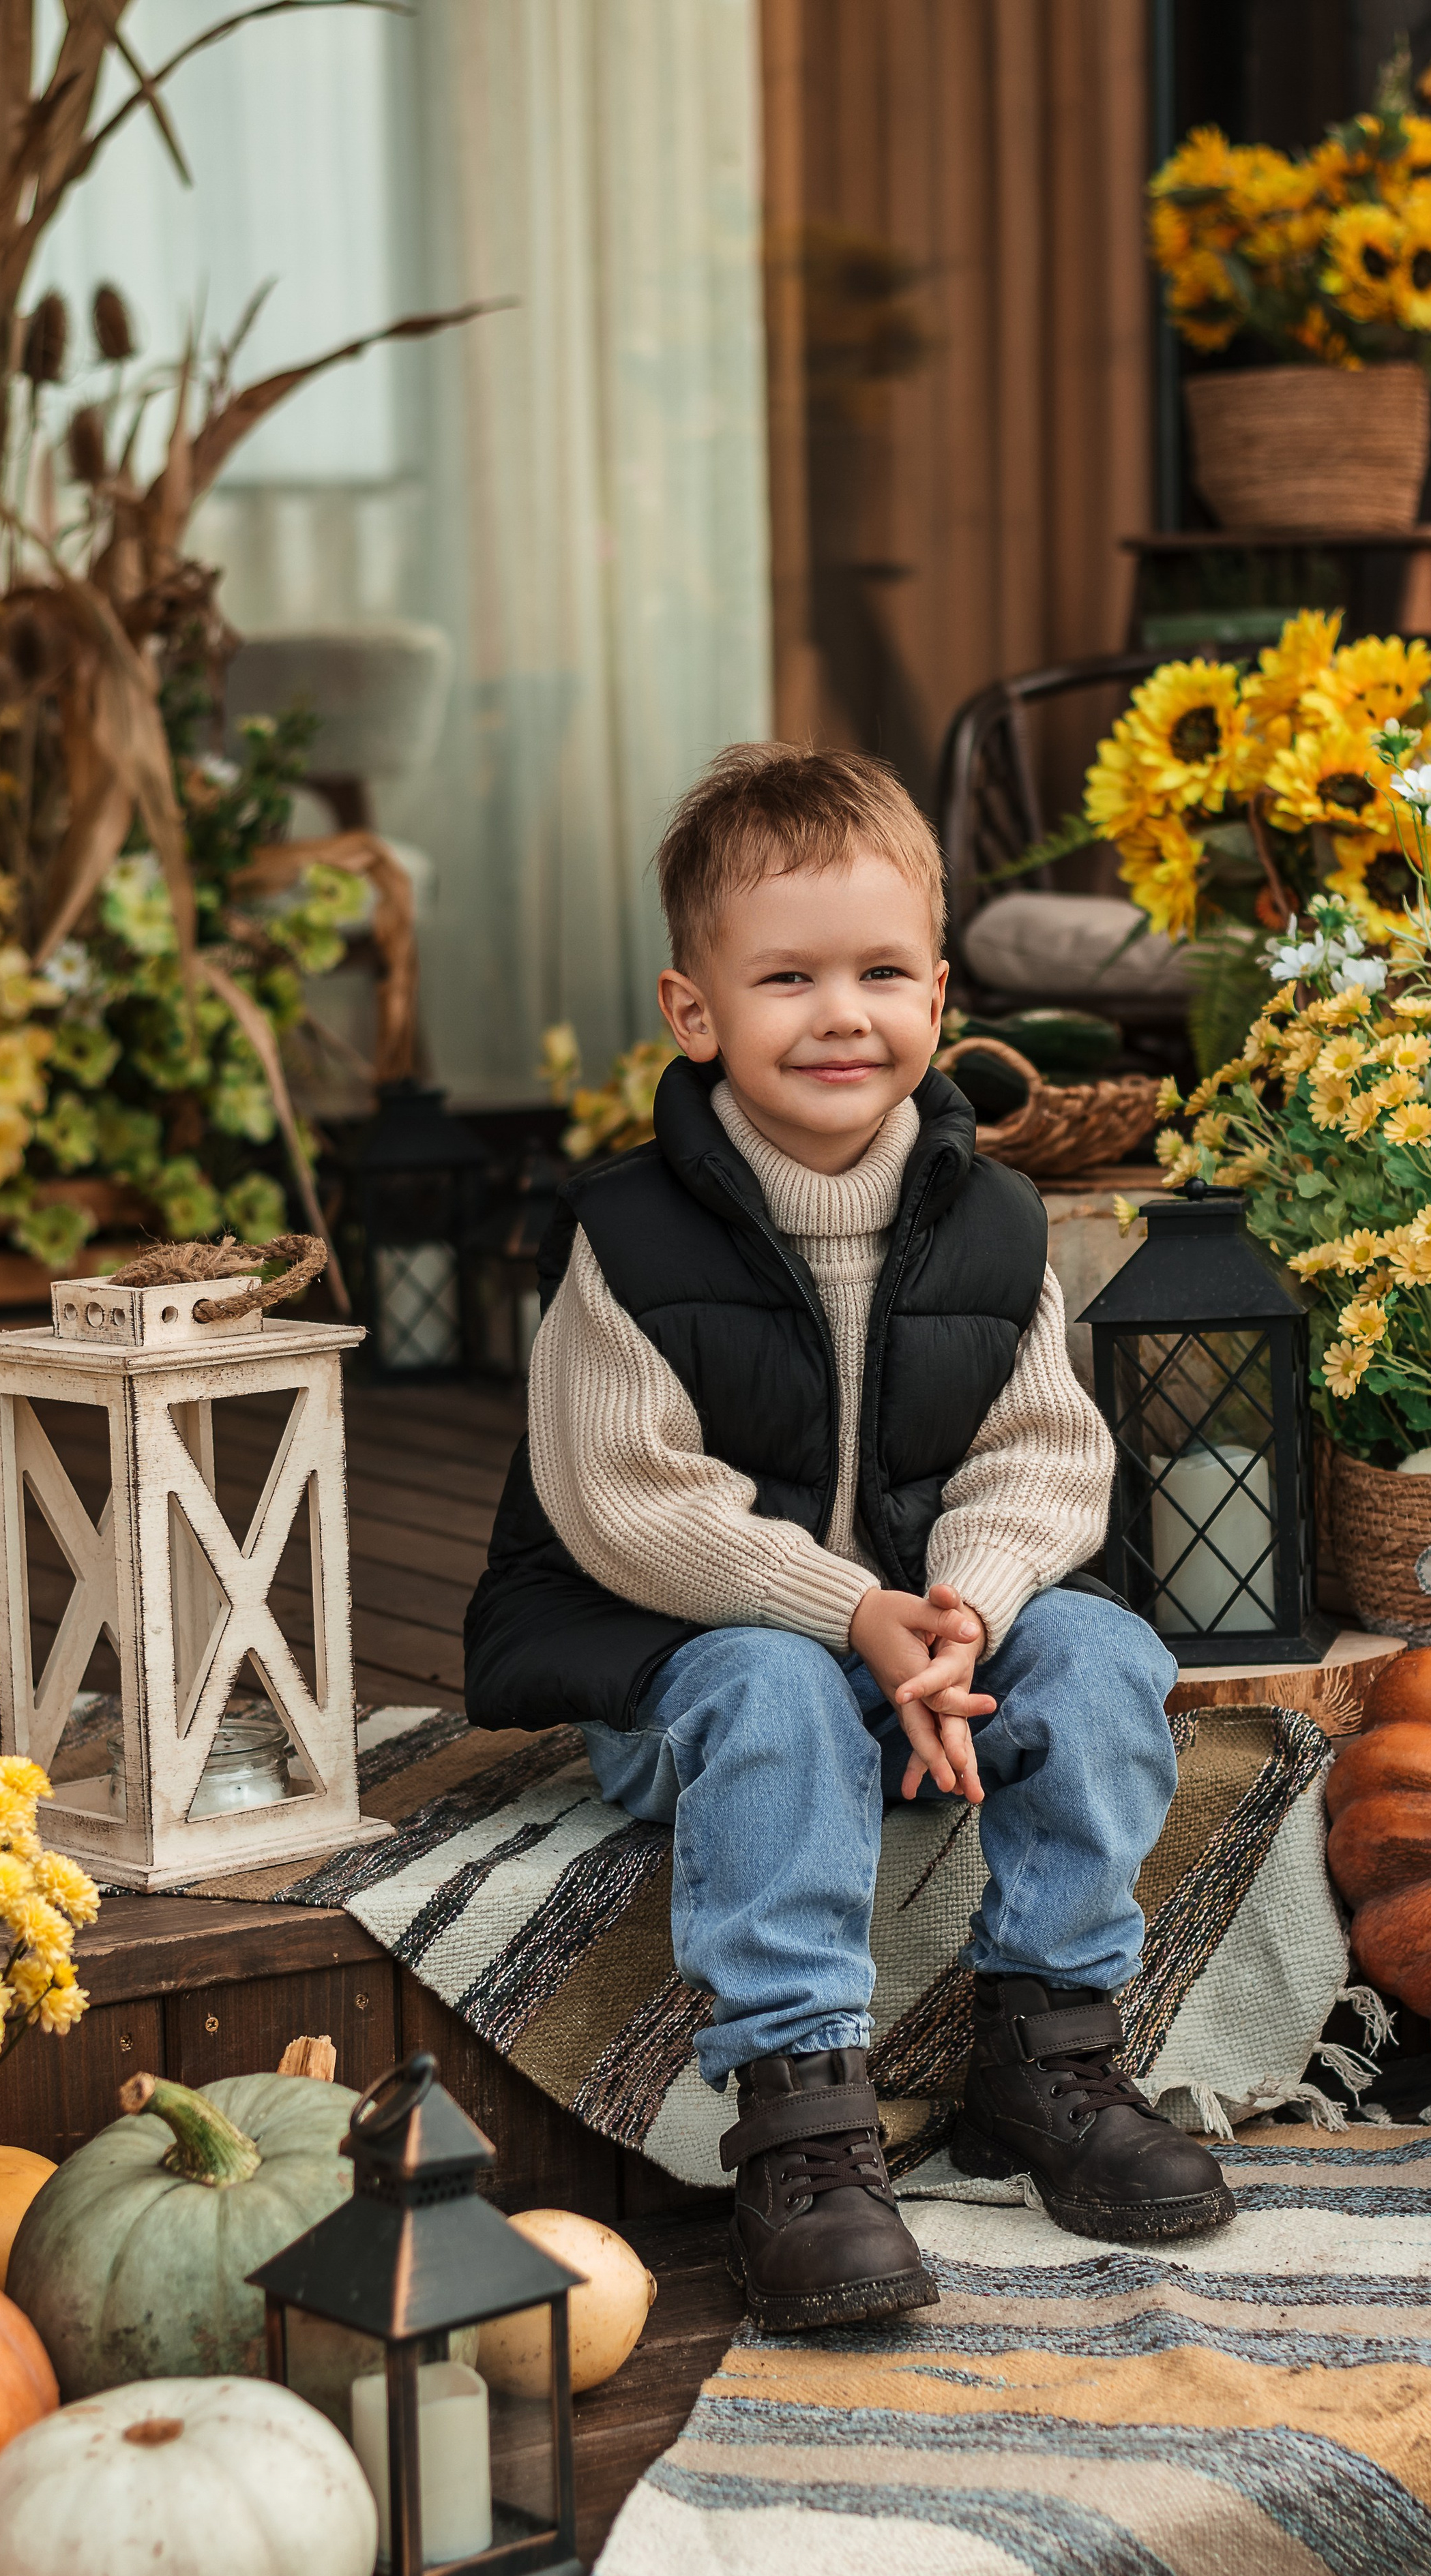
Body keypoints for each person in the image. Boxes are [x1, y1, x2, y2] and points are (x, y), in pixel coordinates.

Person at [464, 743, 1234, 2333]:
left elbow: (1039, 1456)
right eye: (788, 977)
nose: (841, 1013)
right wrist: (846, 1613)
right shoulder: (625, 1236)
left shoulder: (998, 1222)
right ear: (695, 1012)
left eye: (881, 972)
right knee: (772, 1684)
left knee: (1102, 1652)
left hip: (918, 1652)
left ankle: (1051, 2040)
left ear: (939, 995)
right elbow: (625, 1498)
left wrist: (961, 1609)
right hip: (686, 1663)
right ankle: (802, 2114)